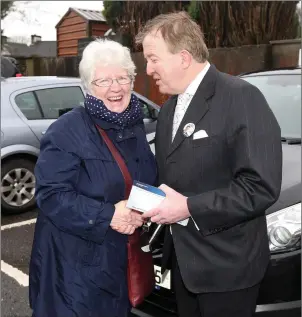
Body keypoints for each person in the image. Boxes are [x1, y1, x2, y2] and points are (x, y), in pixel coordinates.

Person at [136, 11, 282, 317]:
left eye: (153, 58)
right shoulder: (167, 112)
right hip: (182, 267)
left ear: (184, 58)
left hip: (227, 270)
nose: (147, 69)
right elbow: (173, 179)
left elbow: (260, 187)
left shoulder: (242, 98)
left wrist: (189, 207)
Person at [29, 39, 157, 317]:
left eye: (122, 77)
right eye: (103, 81)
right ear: (87, 86)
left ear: (133, 81)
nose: (115, 87)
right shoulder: (65, 130)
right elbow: (51, 196)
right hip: (74, 271)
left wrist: (143, 208)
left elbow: (141, 178)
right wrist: (108, 215)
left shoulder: (133, 125)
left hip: (121, 261)